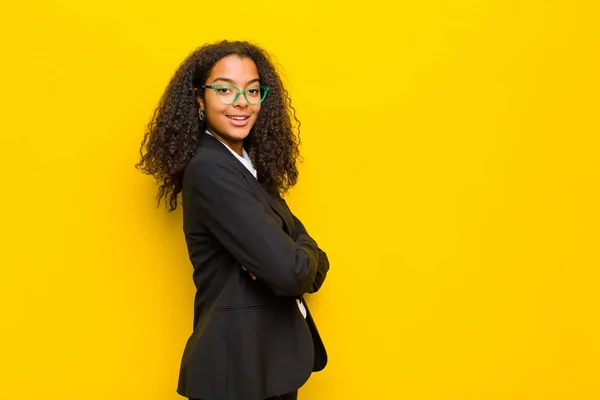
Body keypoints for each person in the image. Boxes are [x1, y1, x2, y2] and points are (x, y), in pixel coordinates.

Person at [137, 40, 329, 400]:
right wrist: (296, 258)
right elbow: (290, 270)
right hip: (236, 373)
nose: (241, 101)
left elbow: (300, 256)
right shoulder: (211, 168)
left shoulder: (247, 167)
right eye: (225, 89)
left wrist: (300, 256)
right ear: (199, 98)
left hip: (263, 366)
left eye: (252, 90)